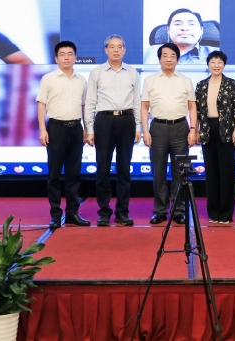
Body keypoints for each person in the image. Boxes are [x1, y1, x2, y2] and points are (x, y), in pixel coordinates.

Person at [85, 35, 141, 227]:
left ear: (124, 50)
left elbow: (136, 101)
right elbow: (90, 101)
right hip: (104, 121)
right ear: (106, 50)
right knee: (103, 168)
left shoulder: (132, 72)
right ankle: (104, 212)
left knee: (124, 169)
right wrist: (89, 128)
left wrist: (138, 126)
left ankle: (122, 212)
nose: (116, 50)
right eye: (112, 47)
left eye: (119, 47)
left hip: (127, 120)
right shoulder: (97, 72)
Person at [141, 43, 198, 225]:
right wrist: (145, 131)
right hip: (157, 128)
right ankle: (160, 211)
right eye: (165, 55)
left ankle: (178, 210)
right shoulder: (150, 80)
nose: (168, 59)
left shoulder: (185, 80)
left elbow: (192, 106)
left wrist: (193, 129)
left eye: (173, 56)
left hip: (181, 127)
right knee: (158, 172)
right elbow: (144, 107)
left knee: (179, 172)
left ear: (178, 60)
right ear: (159, 59)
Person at [37, 41, 89, 228]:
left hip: (76, 128)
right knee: (54, 174)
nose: (66, 57)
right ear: (56, 58)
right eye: (62, 54)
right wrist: (42, 129)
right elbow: (41, 104)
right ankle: (55, 215)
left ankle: (73, 213)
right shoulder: (48, 79)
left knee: (74, 174)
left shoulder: (82, 80)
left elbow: (84, 106)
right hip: (56, 128)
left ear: (75, 57)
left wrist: (86, 129)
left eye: (70, 54)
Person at [195, 51, 235, 224]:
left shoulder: (231, 84)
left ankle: (226, 213)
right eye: (213, 62)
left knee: (227, 172)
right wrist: (196, 130)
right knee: (211, 172)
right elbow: (197, 111)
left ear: (224, 64)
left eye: (219, 62)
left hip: (227, 130)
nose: (216, 65)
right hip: (208, 130)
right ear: (208, 64)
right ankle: (213, 212)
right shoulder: (201, 85)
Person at [143, 8, 219, 64]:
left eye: (191, 24)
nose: (184, 28)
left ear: (201, 30)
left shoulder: (218, 54)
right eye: (178, 24)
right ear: (168, 30)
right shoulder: (146, 54)